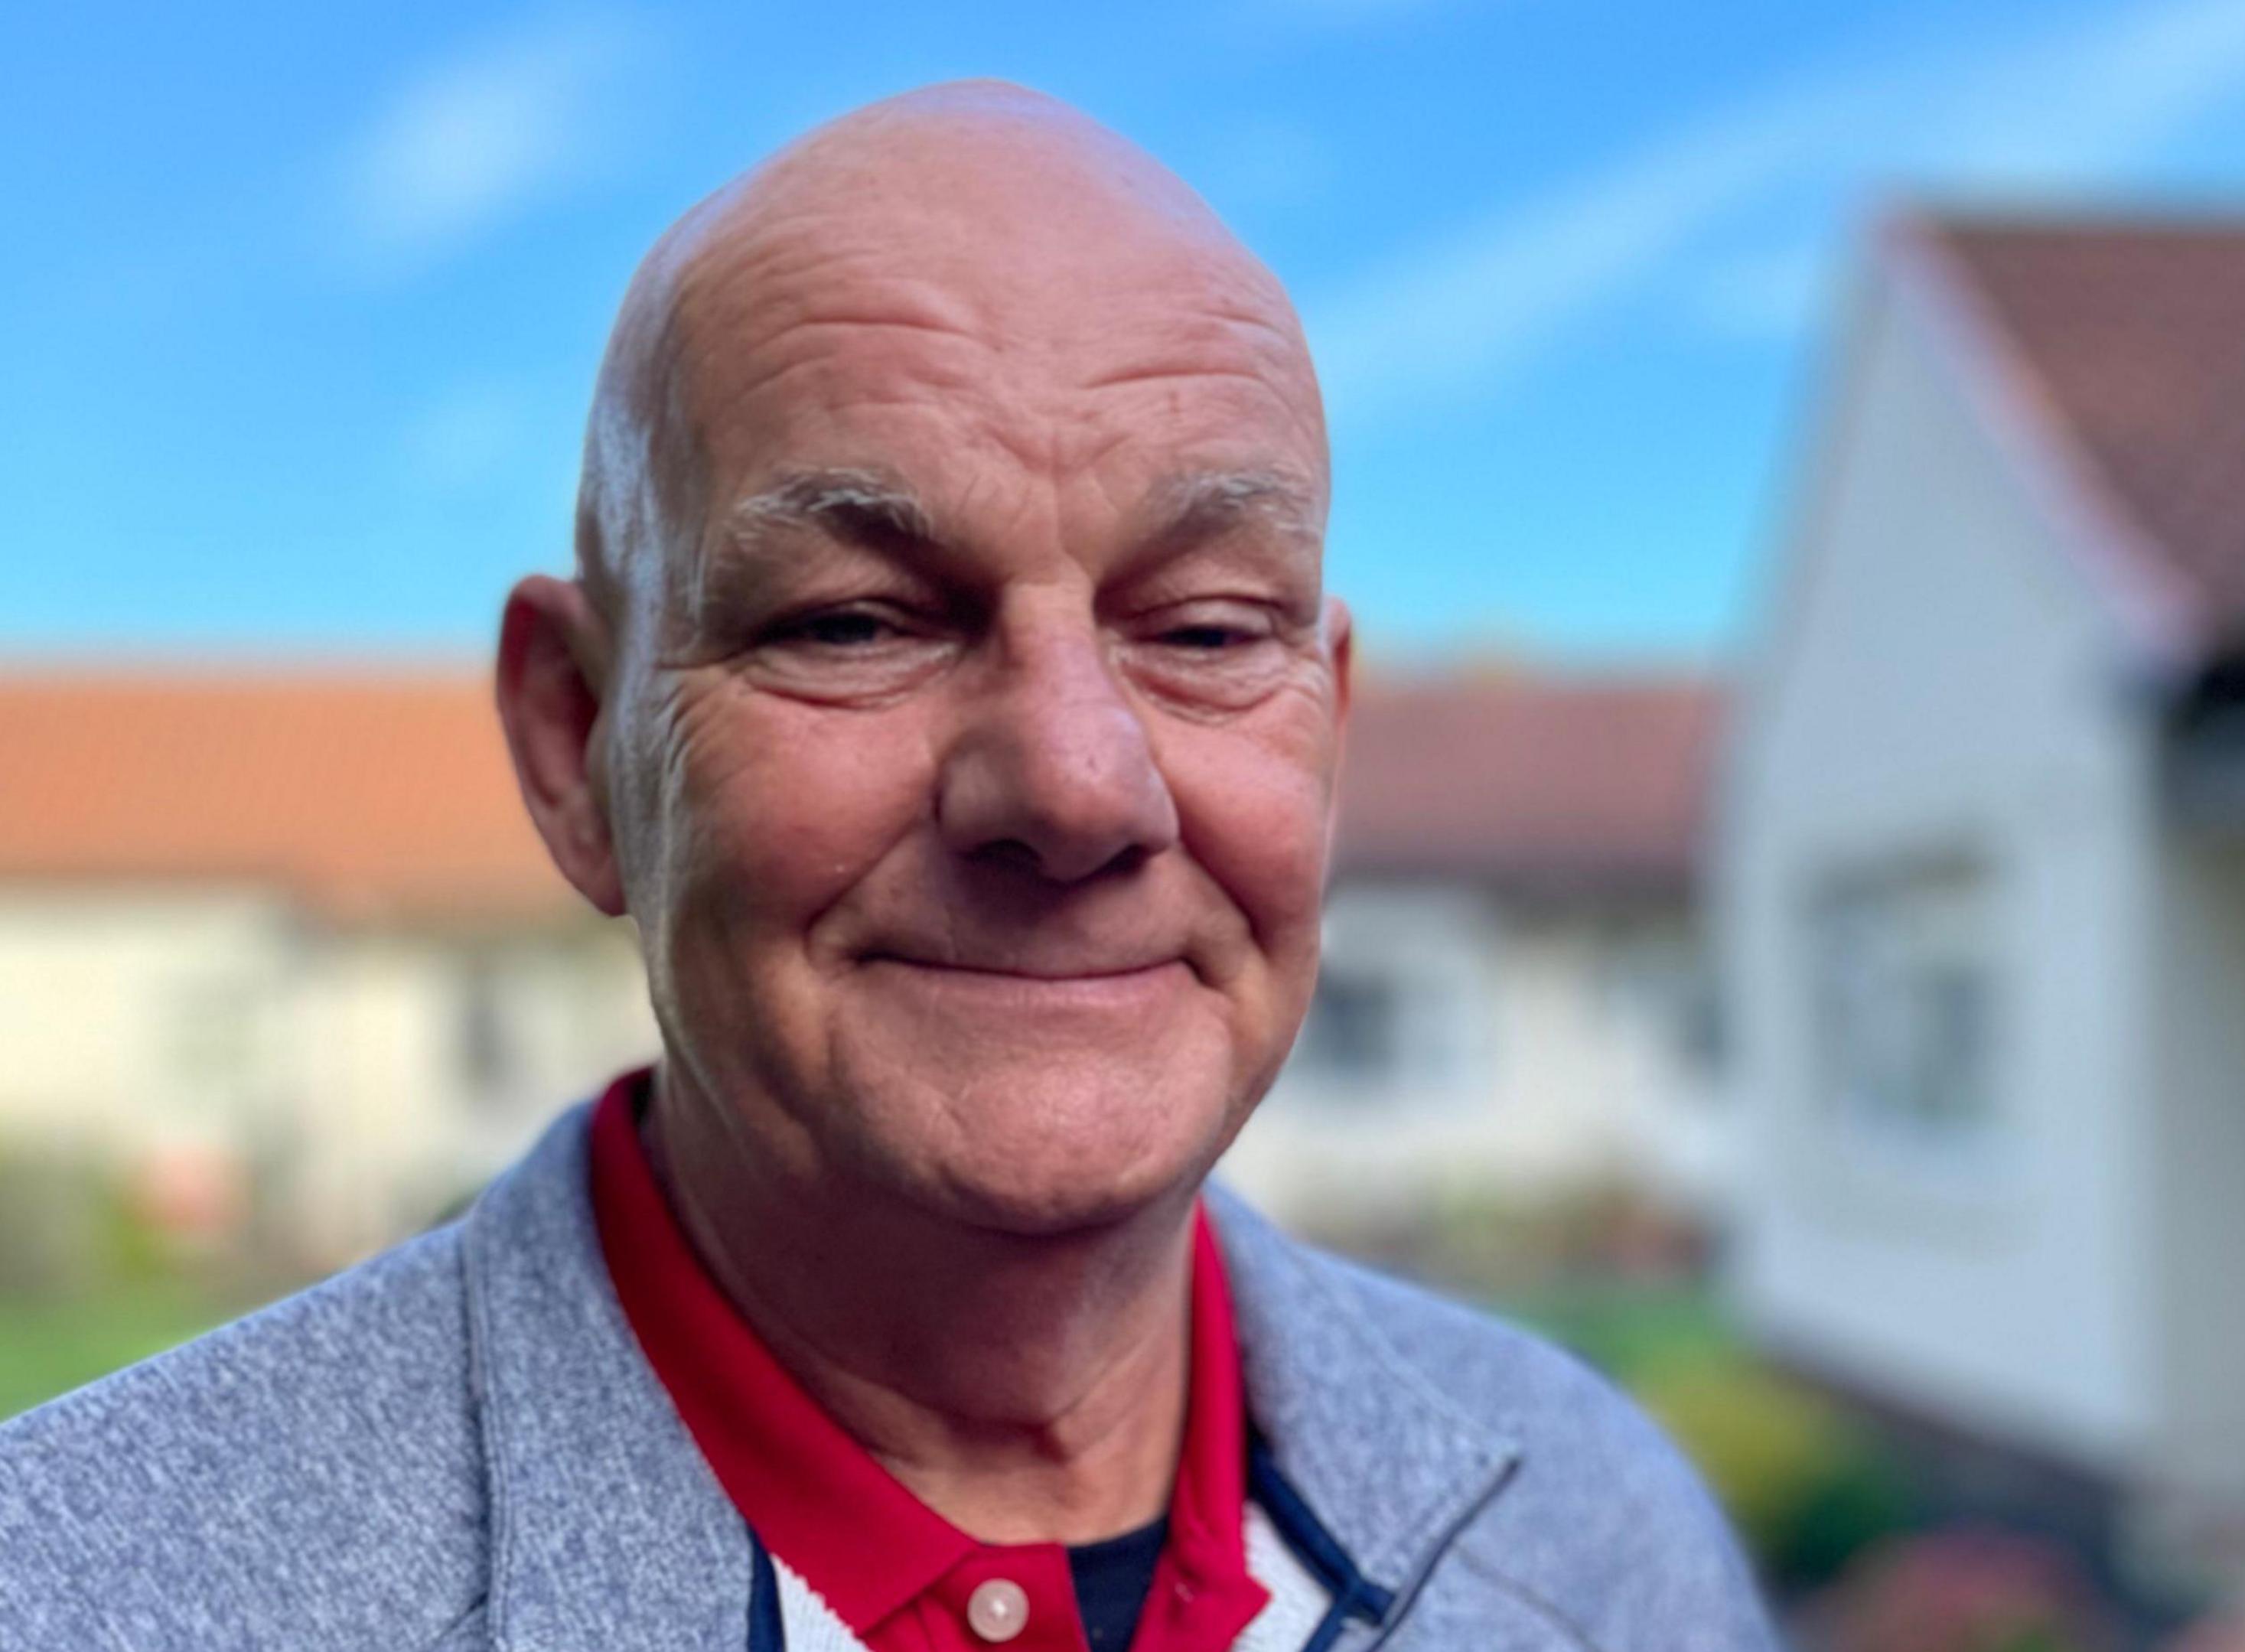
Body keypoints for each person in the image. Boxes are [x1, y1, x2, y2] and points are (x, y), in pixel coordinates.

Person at [0, 83, 1776, 1652]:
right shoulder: (80, 1589)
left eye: (1213, 627)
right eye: (854, 622)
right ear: (576, 744)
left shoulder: (1594, 1543)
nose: (1078, 786)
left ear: (1327, 716)